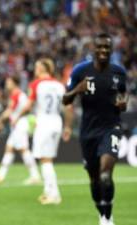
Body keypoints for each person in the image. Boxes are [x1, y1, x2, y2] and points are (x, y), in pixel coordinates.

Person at [62, 33, 127, 225]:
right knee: (94, 179)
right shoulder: (80, 71)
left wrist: (123, 103)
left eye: (107, 48)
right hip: (88, 132)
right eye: (100, 47)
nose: (103, 51)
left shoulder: (119, 72)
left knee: (106, 174)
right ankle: (102, 212)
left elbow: (123, 94)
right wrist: (76, 90)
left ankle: (108, 216)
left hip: (111, 127)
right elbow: (66, 99)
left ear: (111, 50)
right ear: (94, 49)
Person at [12, 58, 65, 205]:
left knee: (45, 160)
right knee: (48, 159)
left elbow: (28, 105)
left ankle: (54, 195)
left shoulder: (36, 84)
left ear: (42, 68)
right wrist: (67, 126)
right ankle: (49, 192)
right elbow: (67, 106)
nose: (35, 70)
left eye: (36, 67)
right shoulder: (59, 85)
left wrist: (17, 117)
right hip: (57, 121)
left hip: (44, 122)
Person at [0, 76, 40, 185]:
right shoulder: (19, 94)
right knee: (9, 148)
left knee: (23, 149)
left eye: (8, 82)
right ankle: (1, 175)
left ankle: (35, 175)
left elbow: (9, 111)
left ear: (14, 83)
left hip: (20, 125)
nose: (7, 84)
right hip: (18, 124)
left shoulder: (16, 94)